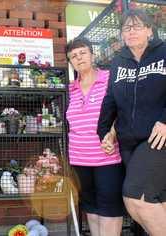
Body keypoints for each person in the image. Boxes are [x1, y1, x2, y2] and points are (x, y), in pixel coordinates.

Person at [98, 9, 166, 235]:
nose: (131, 31)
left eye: (137, 26)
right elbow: (110, 100)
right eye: (126, 27)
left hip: (158, 138)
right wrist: (105, 132)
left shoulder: (164, 52)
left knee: (136, 197)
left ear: (149, 30)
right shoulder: (119, 62)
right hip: (128, 142)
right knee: (155, 200)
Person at [66, 38, 124, 236]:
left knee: (110, 208)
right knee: (91, 208)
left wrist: (112, 134)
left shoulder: (110, 79)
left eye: (82, 53)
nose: (78, 58)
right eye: (73, 56)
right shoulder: (70, 89)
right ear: (70, 62)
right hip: (79, 158)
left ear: (92, 54)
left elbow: (121, 109)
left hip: (106, 156)